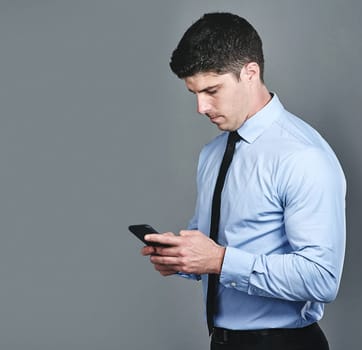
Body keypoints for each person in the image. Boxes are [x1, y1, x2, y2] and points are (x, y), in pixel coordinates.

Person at [141, 12, 346, 350]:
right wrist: (183, 259)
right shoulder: (212, 153)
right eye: (194, 93)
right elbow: (218, 243)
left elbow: (322, 278)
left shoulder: (303, 156)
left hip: (284, 343)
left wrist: (219, 261)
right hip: (221, 343)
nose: (201, 107)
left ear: (250, 73)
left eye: (212, 90)